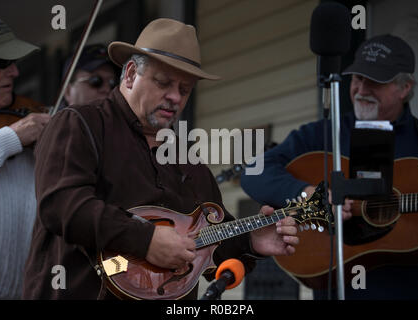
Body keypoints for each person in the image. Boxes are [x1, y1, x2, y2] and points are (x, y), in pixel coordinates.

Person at [22, 18, 299, 300]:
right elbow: (61, 206)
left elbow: (206, 239)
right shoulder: (80, 123)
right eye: (163, 82)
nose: (175, 97)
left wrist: (252, 241)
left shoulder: (186, 157)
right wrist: (145, 240)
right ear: (130, 74)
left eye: (185, 89)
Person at [240, 34, 418, 299]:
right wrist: (310, 195)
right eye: (357, 78)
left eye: (375, 81)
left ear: (405, 87)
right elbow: (253, 171)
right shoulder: (322, 134)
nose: (362, 90)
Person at [0, 15, 51, 299]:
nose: (14, 72)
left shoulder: (24, 115)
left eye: (14, 63)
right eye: (1, 63)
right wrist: (12, 137)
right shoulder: (15, 131)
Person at [61, 43, 119, 108]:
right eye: (96, 81)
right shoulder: (57, 118)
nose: (107, 90)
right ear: (68, 92)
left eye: (112, 83)